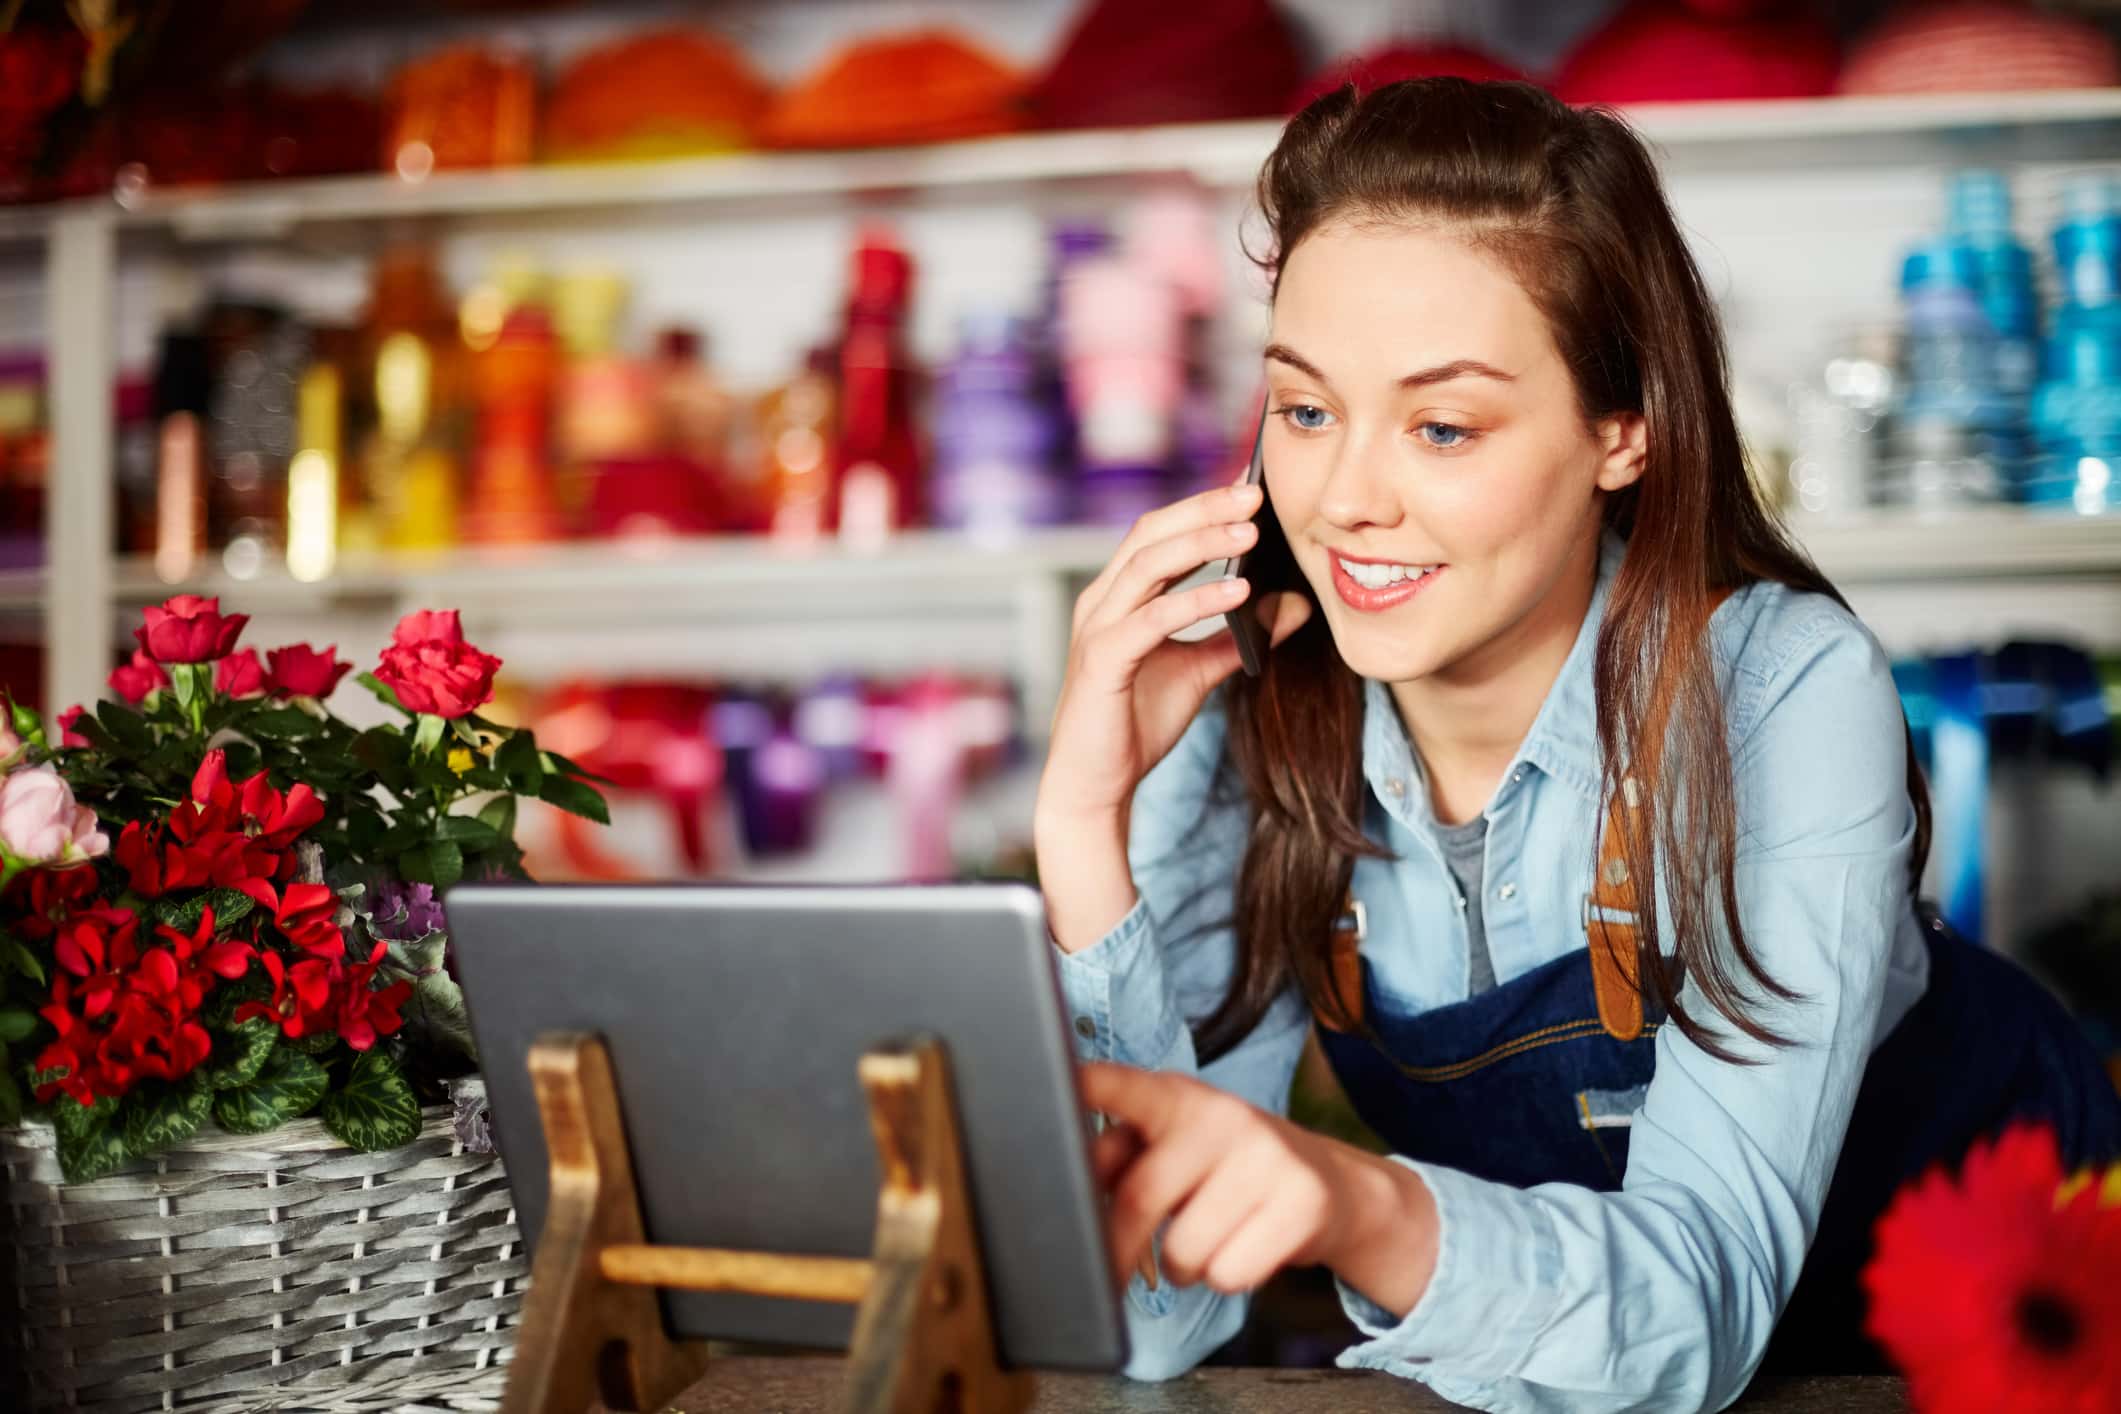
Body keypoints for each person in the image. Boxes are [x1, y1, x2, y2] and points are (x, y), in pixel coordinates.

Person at [1035, 78, 2121, 1411]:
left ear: (1622, 431)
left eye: (1440, 424)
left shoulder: (1779, 692)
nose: (1344, 499)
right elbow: (1155, 1320)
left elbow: (1703, 1300)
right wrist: (1086, 825)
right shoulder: (1254, 716)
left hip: (2020, 1310)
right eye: (1306, 411)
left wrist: (1351, 1201)